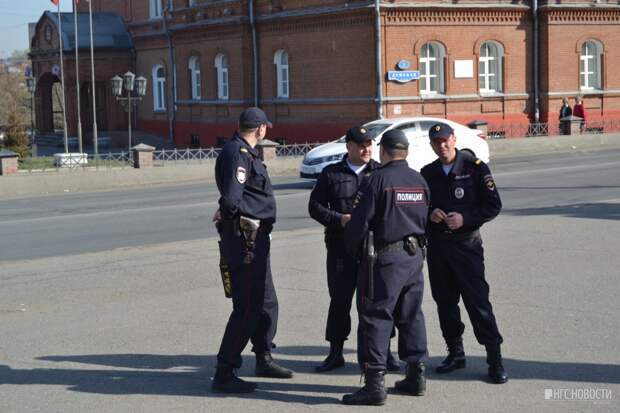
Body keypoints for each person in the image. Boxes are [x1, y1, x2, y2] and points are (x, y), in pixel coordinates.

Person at [342, 129, 430, 405]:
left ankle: (374, 384)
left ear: (383, 151)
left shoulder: (376, 180)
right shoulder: (419, 180)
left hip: (385, 259)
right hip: (414, 257)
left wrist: (351, 250)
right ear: (405, 151)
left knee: (375, 316)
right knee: (412, 314)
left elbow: (359, 223)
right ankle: (416, 375)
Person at [211, 107, 293, 393]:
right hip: (247, 239)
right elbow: (233, 197)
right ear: (260, 129)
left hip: (255, 239)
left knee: (266, 301)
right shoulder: (240, 154)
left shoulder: (242, 150)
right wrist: (231, 216)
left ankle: (263, 356)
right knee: (247, 306)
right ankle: (225, 370)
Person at [420, 123, 508, 384]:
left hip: (466, 247)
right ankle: (455, 353)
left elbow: (493, 205)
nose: (442, 146)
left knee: (478, 304)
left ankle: (494, 359)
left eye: (445, 140)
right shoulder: (428, 173)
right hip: (438, 249)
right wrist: (429, 214)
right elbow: (418, 208)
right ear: (432, 145)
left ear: (454, 139)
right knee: (445, 304)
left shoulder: (475, 167)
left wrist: (466, 218)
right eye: (436, 142)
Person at [308, 126, 400, 373]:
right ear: (348, 146)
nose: (367, 149)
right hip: (341, 249)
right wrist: (340, 219)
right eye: (361, 145)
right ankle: (335, 352)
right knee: (339, 301)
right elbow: (315, 207)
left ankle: (386, 353)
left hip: (374, 249)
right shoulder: (331, 174)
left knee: (379, 302)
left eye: (370, 144)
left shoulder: (380, 172)